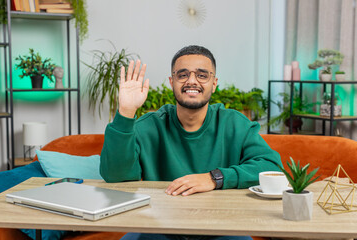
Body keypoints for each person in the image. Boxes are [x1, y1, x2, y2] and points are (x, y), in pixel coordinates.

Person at [100, 45, 282, 240]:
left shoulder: (235, 124)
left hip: (224, 230)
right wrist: (126, 112)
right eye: (183, 75)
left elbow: (272, 167)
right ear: (172, 82)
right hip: (159, 229)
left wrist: (215, 178)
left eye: (202, 75)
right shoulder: (148, 126)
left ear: (214, 83)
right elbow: (115, 177)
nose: (192, 81)